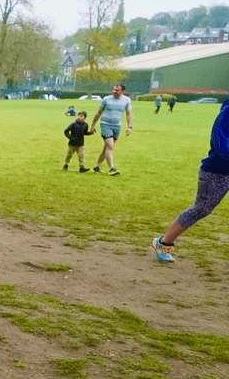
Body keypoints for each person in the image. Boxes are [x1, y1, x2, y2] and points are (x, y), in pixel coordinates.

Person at [151, 99, 229, 263]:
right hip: (218, 171)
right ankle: (164, 242)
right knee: (202, 208)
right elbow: (221, 143)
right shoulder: (227, 113)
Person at [87, 83, 132, 176]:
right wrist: (93, 125)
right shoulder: (106, 99)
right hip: (105, 124)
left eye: (117, 90)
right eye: (113, 89)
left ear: (123, 91)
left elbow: (129, 114)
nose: (114, 91)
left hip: (117, 126)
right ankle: (112, 168)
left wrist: (129, 126)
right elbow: (99, 112)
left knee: (107, 148)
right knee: (110, 146)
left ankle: (97, 166)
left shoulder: (127, 100)